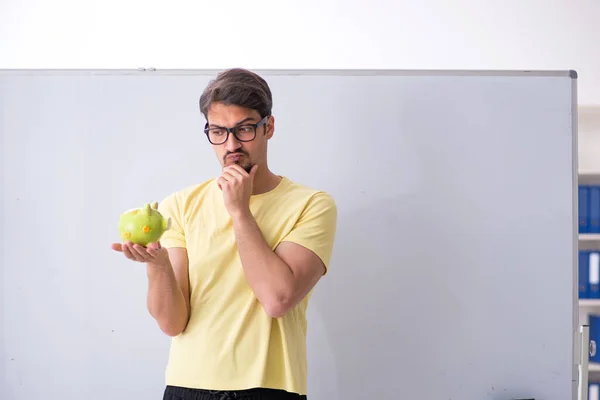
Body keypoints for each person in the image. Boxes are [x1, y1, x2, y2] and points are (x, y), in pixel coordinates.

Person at [111, 68, 338, 400]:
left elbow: (277, 299)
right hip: (187, 387)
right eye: (218, 131)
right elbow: (172, 324)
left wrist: (239, 211)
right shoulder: (180, 204)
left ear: (268, 127)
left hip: (268, 389)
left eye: (244, 129)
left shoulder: (311, 205)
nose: (231, 144)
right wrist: (157, 265)